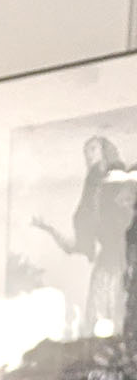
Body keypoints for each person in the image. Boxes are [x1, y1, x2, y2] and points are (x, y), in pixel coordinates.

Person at [32, 134, 137, 338]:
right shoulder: (92, 189)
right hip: (108, 263)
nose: (88, 155)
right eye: (86, 151)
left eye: (93, 149)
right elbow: (76, 244)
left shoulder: (117, 183)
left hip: (123, 262)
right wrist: (48, 229)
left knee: (120, 314)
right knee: (98, 319)